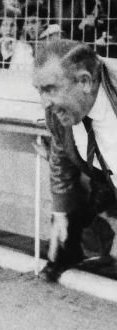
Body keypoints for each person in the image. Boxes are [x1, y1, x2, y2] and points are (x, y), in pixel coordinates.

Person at [32, 40, 117, 282]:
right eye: (39, 90)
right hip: (101, 174)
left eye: (50, 89)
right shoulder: (59, 112)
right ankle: (66, 256)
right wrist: (60, 211)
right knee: (69, 200)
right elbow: (61, 156)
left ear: (85, 81)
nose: (44, 103)